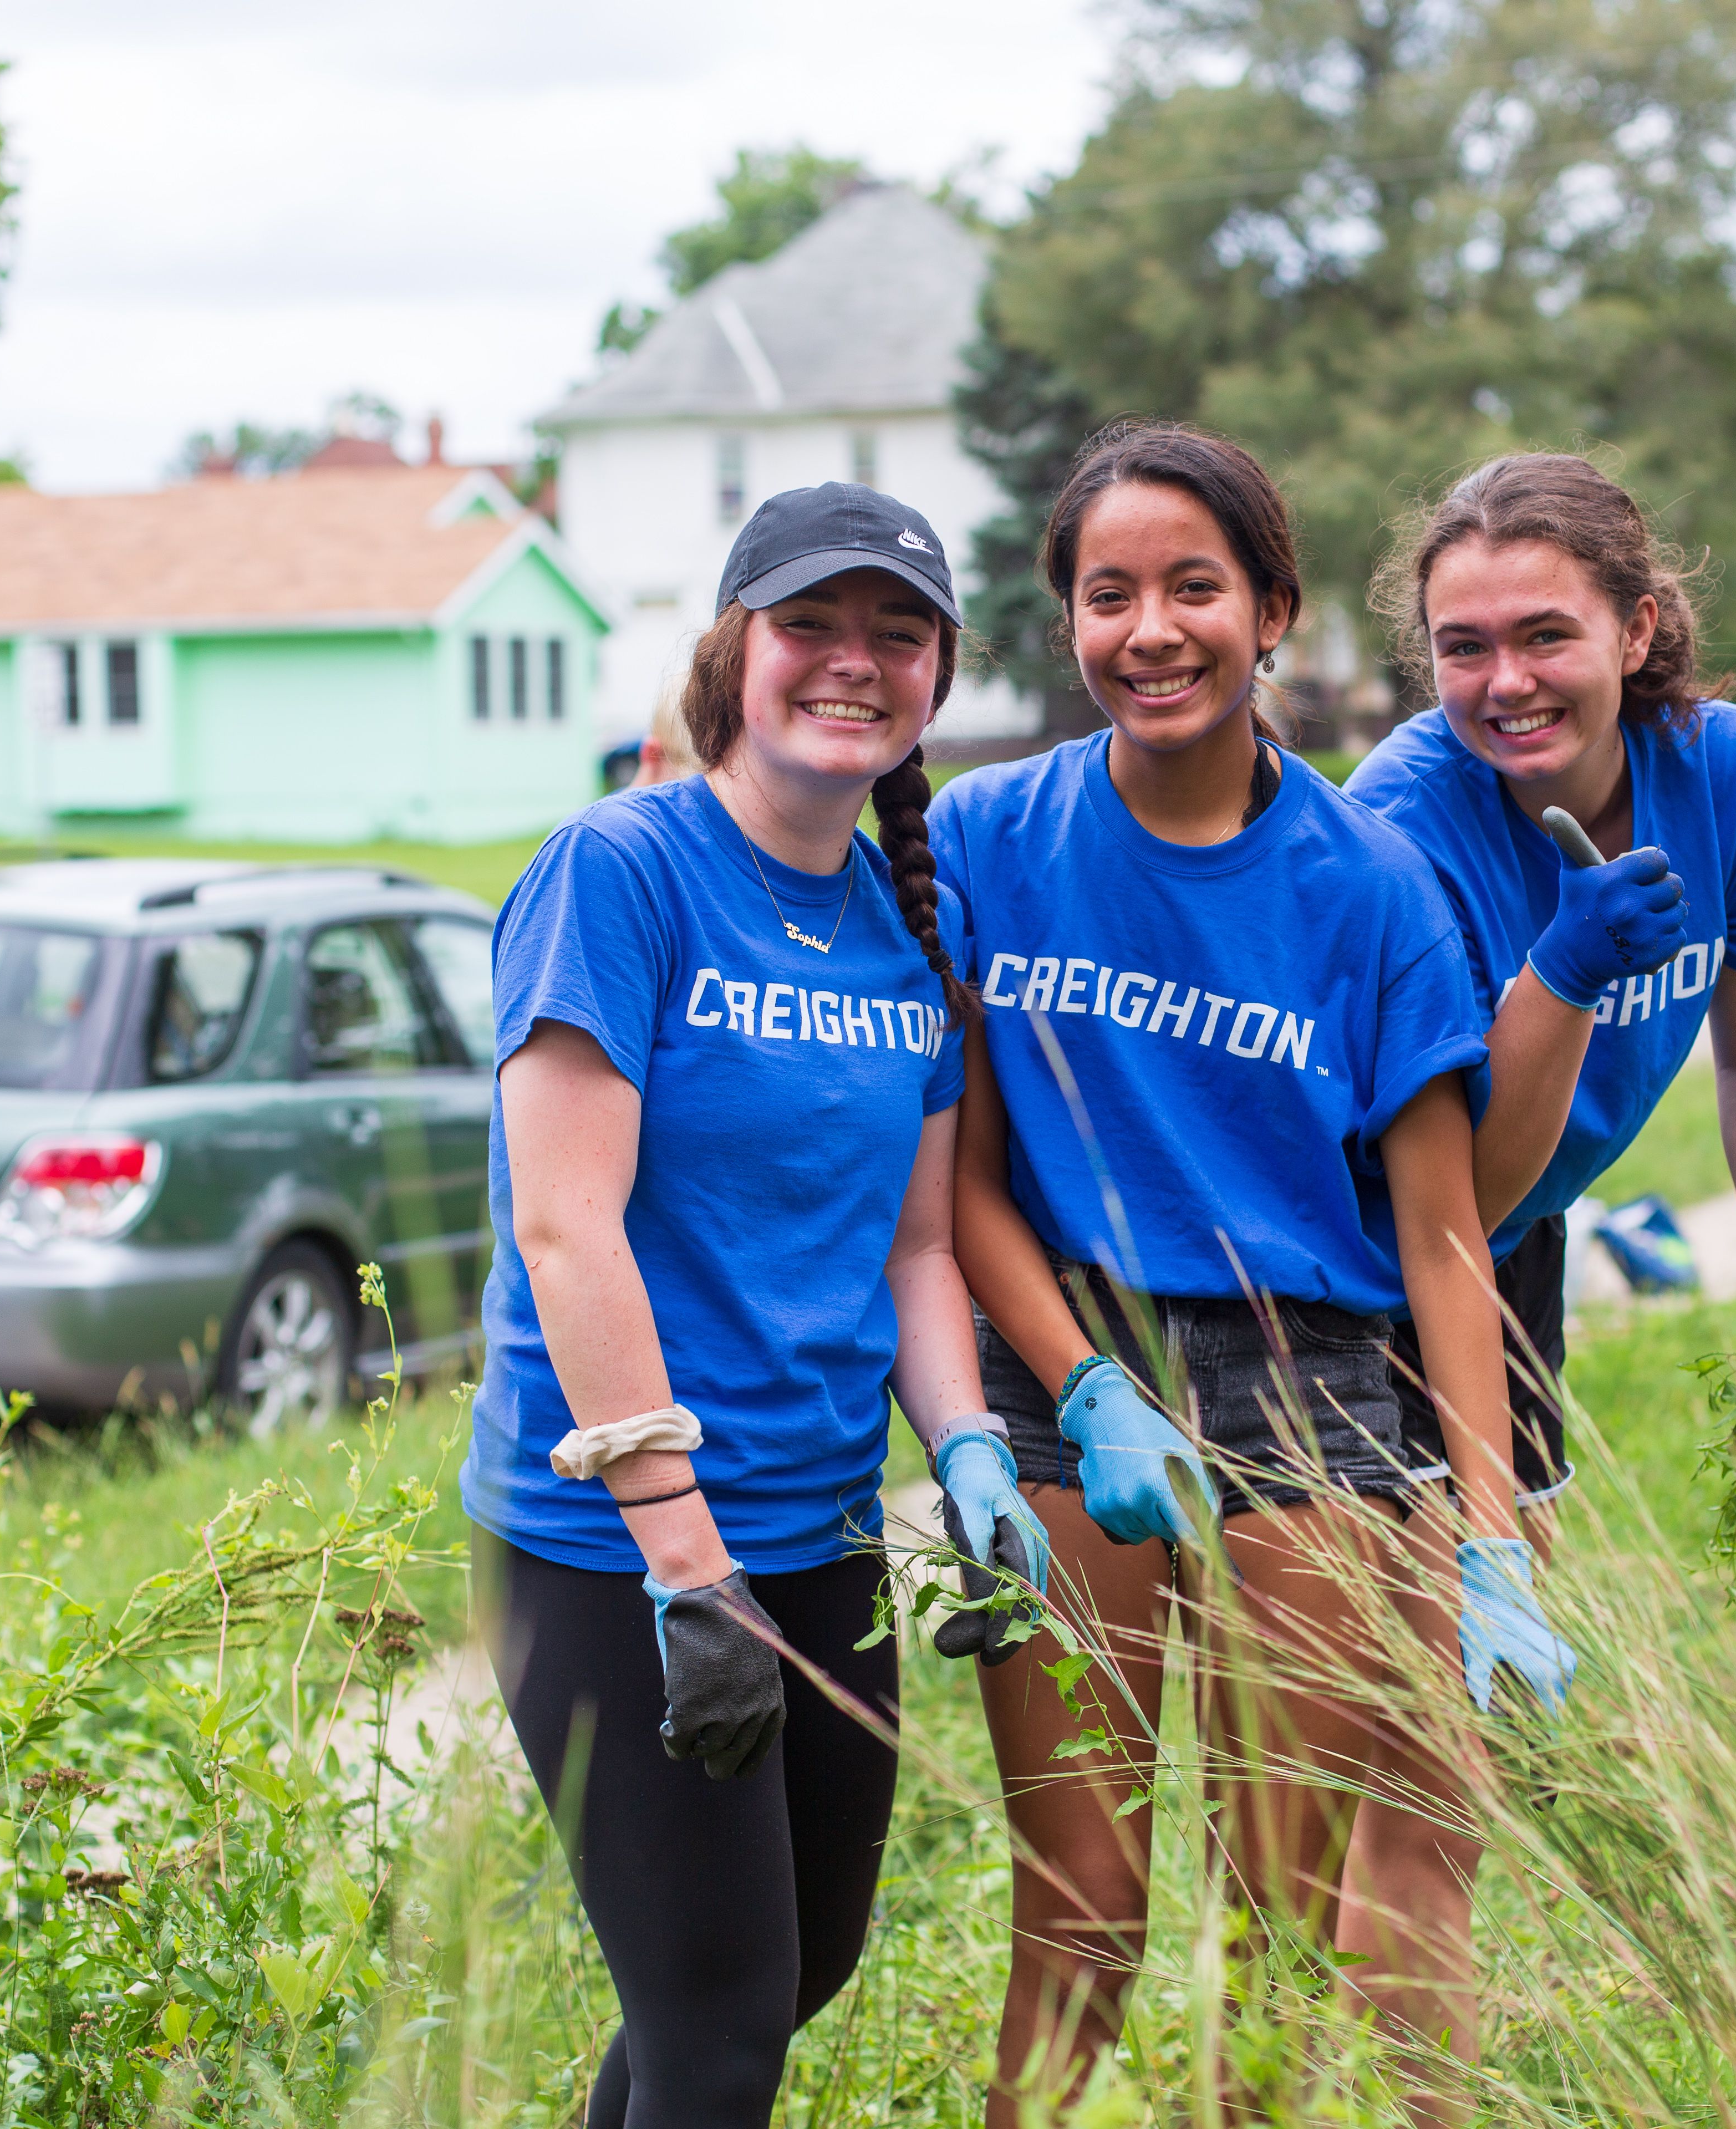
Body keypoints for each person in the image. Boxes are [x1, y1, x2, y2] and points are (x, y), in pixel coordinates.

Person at [929, 420, 1571, 2126]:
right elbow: (964, 1185)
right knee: (1080, 1917)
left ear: (1272, 608)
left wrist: (1489, 1540)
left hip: (1315, 1396)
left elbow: (1446, 1240)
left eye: (1194, 587)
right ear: (1065, 619)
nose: (1152, 630)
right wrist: (1071, 1384)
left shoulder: (1371, 887)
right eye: (1108, 592)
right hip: (1063, 1373)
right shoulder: (992, 840)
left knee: (1276, 1927)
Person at [464, 483, 1051, 2129]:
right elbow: (569, 1230)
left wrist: (975, 1454)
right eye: (813, 625)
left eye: (897, 634)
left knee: (790, 1973)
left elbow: (918, 1254)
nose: (851, 663)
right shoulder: (621, 874)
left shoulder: (911, 932)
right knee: (718, 2030)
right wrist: (687, 1567)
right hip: (615, 1550)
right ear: (738, 647)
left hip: (824, 1533)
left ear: (938, 673)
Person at [1343, 447, 1736, 1518]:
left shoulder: (1731, 776)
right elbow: (1454, 1192)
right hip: (1348, 1250)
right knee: (1384, 1647)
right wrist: (1567, 972)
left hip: (1519, 1237)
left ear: (1634, 632)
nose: (1508, 683)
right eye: (1466, 648)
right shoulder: (1398, 824)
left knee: (1518, 1621)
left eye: (1547, 634)